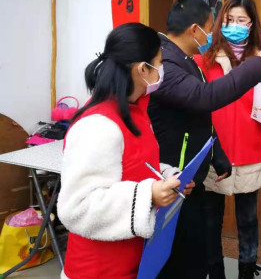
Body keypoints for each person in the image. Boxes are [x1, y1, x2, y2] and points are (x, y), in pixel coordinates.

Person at [147, 0, 261, 278]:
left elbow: (200, 116)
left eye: (241, 20)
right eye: (222, 23)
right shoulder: (180, 62)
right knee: (202, 231)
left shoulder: (183, 59)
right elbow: (206, 98)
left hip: (236, 153)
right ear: (195, 30)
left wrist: (218, 156)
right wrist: (259, 64)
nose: (220, 31)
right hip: (185, 168)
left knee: (240, 223)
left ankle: (244, 271)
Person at [58, 23, 195, 279]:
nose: (162, 70)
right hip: (99, 270)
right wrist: (149, 194)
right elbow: (76, 207)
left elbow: (135, 164)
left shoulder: (135, 110)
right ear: (143, 69)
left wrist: (168, 177)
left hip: (134, 261)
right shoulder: (98, 125)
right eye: (160, 63)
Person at [195, 0, 261, 279]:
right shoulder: (206, 59)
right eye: (229, 20)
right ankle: (215, 273)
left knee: (248, 220)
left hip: (250, 149)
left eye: (241, 20)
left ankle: (247, 270)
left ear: (251, 24)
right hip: (214, 151)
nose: (234, 25)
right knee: (211, 221)